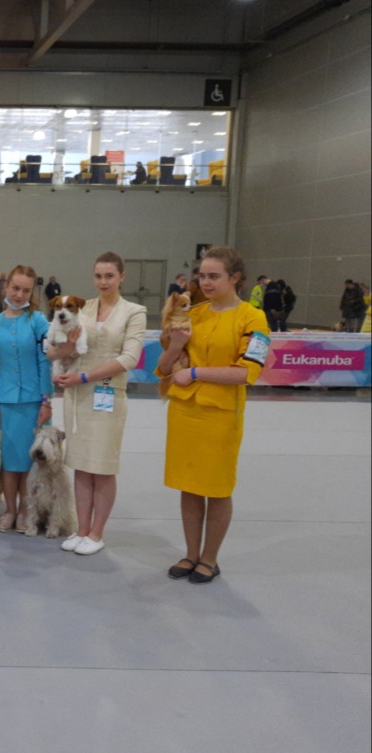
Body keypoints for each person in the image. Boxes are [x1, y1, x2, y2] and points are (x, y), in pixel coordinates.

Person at [155, 247, 270, 584]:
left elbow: (246, 372)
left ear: (234, 278)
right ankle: (190, 554)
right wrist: (176, 346)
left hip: (220, 416)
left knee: (217, 489)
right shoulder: (191, 313)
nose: (205, 282)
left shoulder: (253, 318)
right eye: (202, 276)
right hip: (184, 412)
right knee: (189, 487)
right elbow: (163, 369)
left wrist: (194, 373)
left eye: (214, 276)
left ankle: (209, 559)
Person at [50, 251, 147, 556]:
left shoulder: (134, 312)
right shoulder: (81, 307)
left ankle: (97, 533)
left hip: (107, 394)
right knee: (80, 464)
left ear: (121, 277)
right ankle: (81, 529)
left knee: (102, 466)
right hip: (77, 396)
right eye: (98, 276)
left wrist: (85, 376)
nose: (103, 282)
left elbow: (129, 358)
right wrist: (63, 356)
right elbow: (56, 347)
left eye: (109, 276)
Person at [0, 265, 53, 532]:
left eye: (26, 290)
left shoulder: (38, 320)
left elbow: (45, 360)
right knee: (9, 462)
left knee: (30, 463)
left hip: (35, 402)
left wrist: (46, 399)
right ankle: (10, 510)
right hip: (5, 403)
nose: (19, 294)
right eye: (15, 288)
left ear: (32, 292)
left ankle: (26, 511)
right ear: (6, 286)